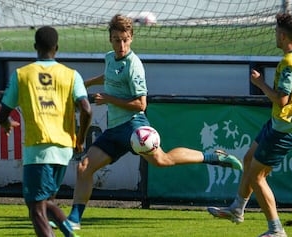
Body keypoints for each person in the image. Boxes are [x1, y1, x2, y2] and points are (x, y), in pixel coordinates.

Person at [66, 14, 243, 230]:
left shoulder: (134, 65)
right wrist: (88, 83)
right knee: (84, 167)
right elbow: (110, 75)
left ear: (131, 38)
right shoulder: (110, 58)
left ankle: (213, 157)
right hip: (114, 129)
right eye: (116, 40)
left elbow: (141, 104)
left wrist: (109, 98)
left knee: (163, 160)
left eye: (124, 39)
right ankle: (74, 220)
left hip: (134, 126)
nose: (120, 45)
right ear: (110, 40)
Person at [207, 13, 292, 237]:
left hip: (284, 127)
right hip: (279, 122)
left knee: (257, 176)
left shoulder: (288, 63)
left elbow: (281, 99)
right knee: (248, 159)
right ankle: (237, 208)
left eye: (276, 32)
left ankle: (276, 230)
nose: (275, 35)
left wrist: (260, 83)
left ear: (283, 36)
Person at [0, 26, 92, 237]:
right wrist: (80, 138)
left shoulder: (22, 75)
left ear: (35, 47)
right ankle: (70, 234)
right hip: (63, 149)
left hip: (38, 148)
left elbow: (2, 114)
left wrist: (6, 124)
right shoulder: (71, 75)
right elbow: (86, 109)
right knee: (47, 203)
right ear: (56, 48)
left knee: (36, 209)